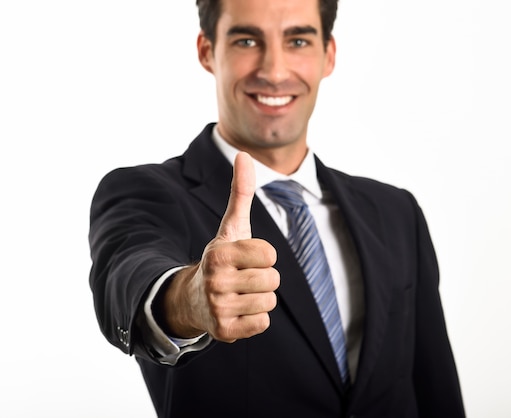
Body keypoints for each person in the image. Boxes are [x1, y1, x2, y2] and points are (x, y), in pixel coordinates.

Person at [88, 0, 465, 416]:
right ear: (207, 50)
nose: (274, 70)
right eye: (247, 40)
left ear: (329, 54)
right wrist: (188, 300)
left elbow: (435, 387)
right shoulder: (146, 192)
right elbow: (130, 276)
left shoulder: (396, 212)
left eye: (298, 40)